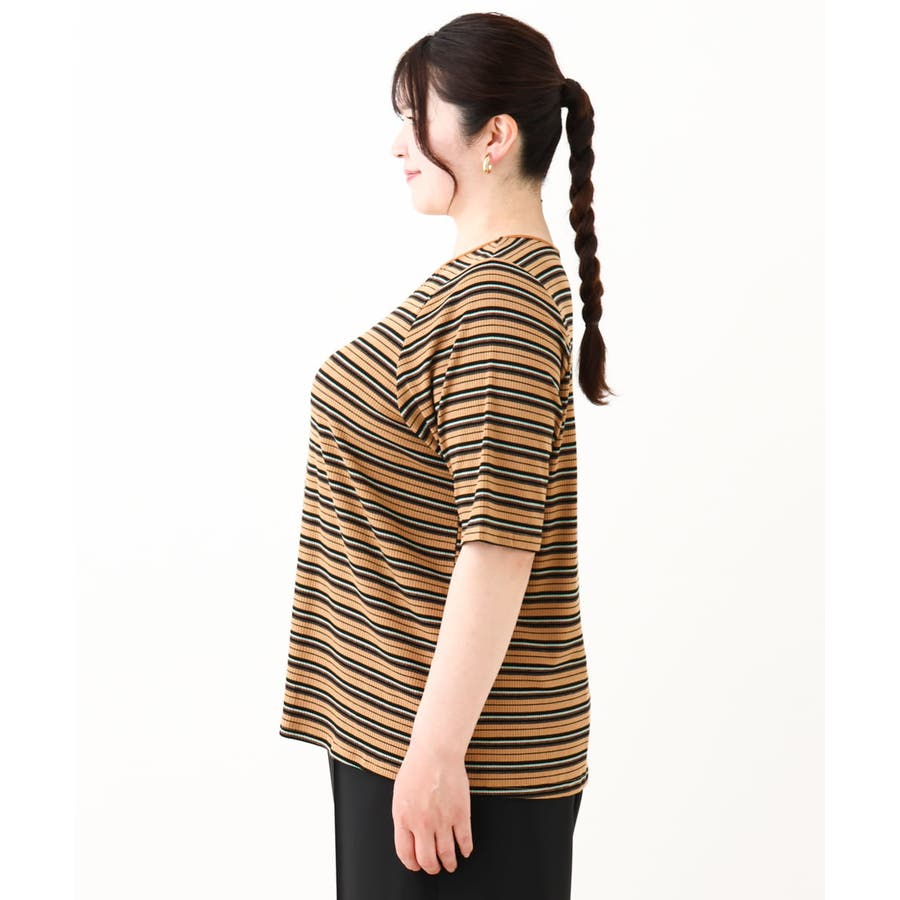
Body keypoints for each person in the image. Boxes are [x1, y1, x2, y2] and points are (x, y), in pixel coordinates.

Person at [278, 12, 613, 899]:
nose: (398, 144)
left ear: (493, 137)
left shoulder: (500, 299)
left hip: (459, 768)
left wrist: (432, 754)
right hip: (414, 744)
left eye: (414, 117)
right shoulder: (487, 283)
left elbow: (499, 542)